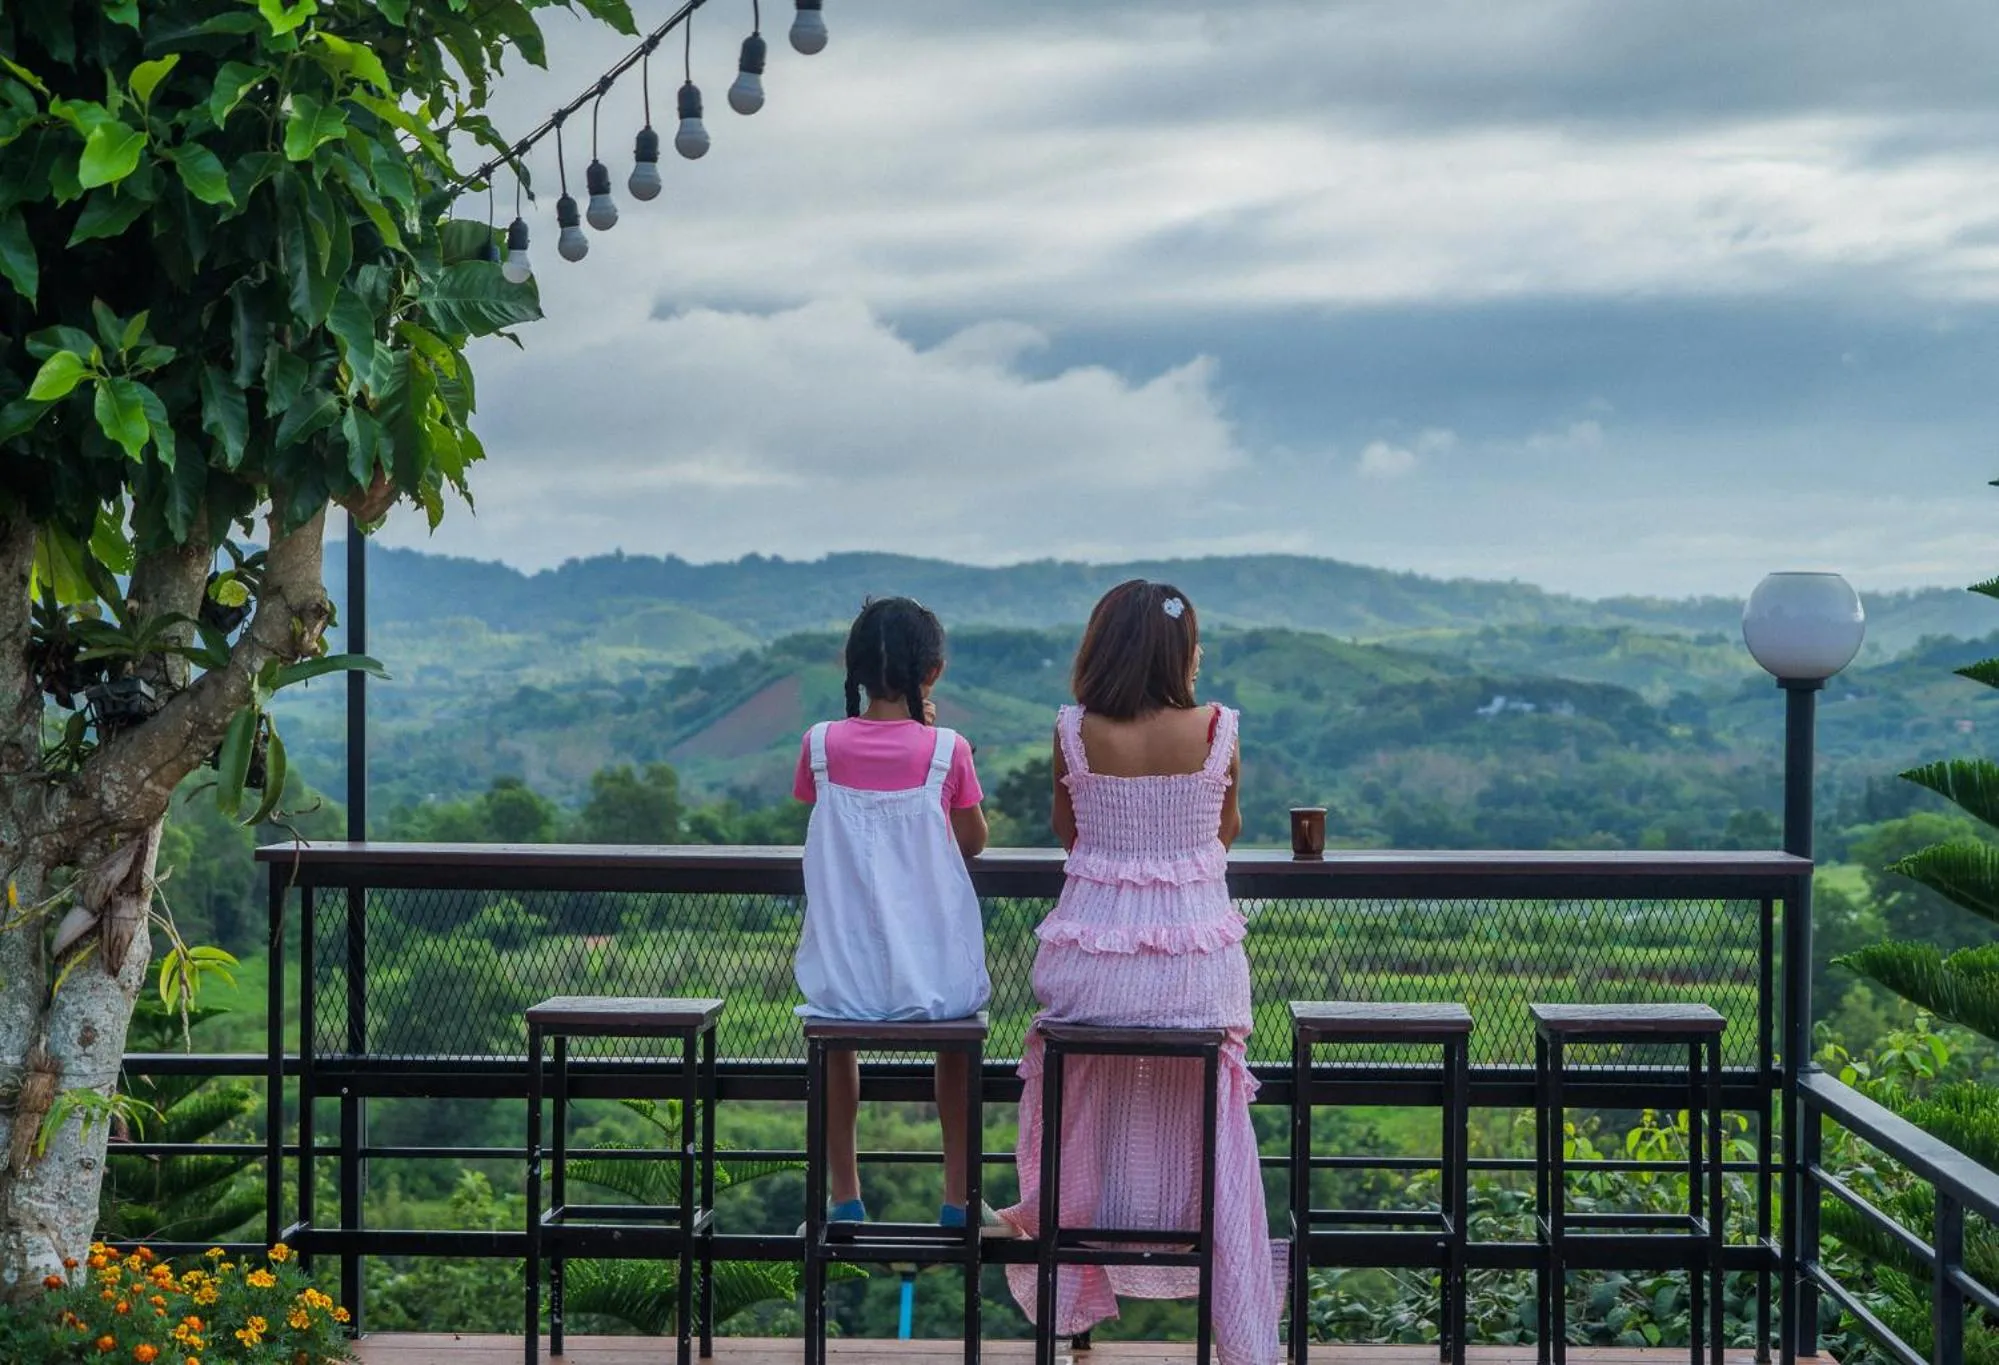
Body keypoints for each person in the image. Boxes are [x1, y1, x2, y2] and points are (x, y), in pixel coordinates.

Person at [998, 579, 1280, 1364]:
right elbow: (1223, 830)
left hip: (1089, 967)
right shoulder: (1220, 726)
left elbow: (1067, 828)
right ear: (1180, 650)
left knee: (1074, 1090)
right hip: (1197, 970)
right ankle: (1234, 1309)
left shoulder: (1073, 729)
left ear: (1103, 644)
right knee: (1214, 1113)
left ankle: (1069, 1267)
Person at [792, 596, 993, 1228]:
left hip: (842, 975)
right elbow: (971, 839)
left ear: (851, 668)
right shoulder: (948, 750)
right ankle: (958, 1198)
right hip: (934, 978)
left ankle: (845, 1195)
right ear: (931, 672)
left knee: (837, 1040)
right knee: (957, 1046)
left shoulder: (819, 745)